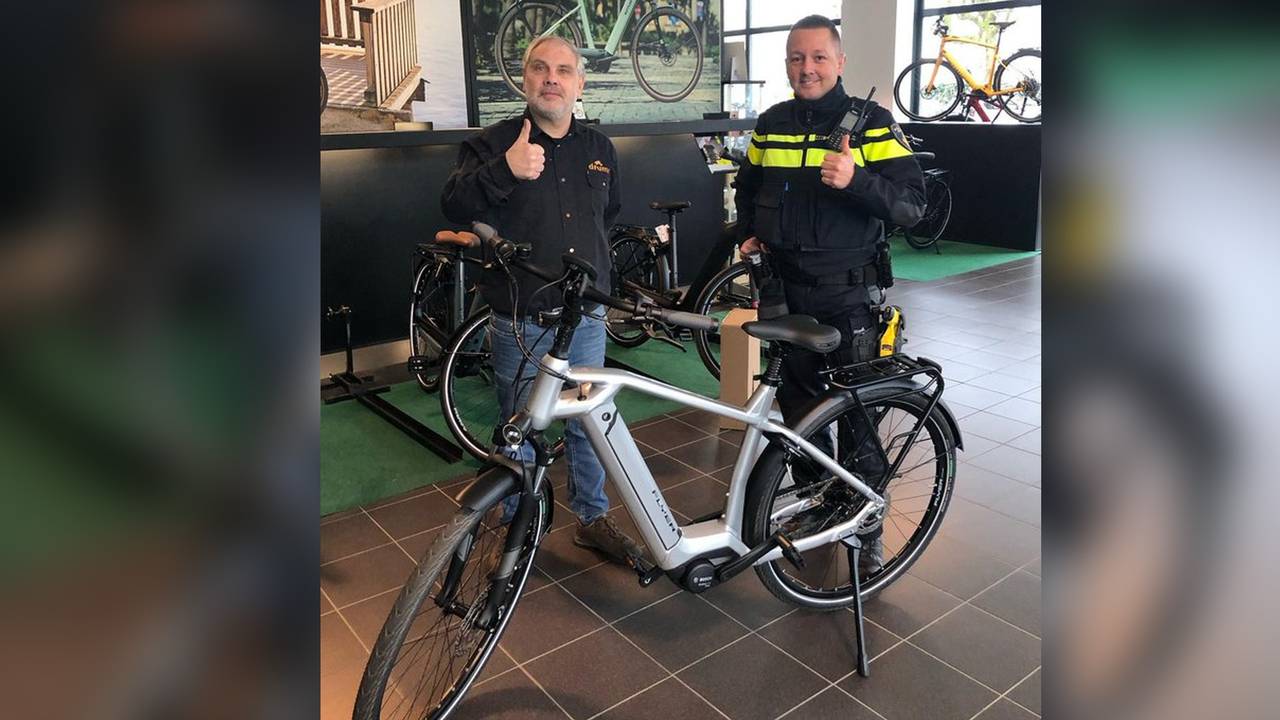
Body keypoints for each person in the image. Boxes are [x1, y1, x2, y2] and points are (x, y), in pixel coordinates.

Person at [733, 15, 926, 574]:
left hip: (849, 300)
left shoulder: (870, 123)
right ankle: (819, 508)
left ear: (839, 62)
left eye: (818, 57)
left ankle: (867, 527)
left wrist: (857, 180)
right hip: (785, 297)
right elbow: (748, 184)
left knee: (857, 417)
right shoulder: (771, 124)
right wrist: (748, 227)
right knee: (799, 414)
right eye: (796, 58)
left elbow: (913, 206)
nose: (806, 68)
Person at [439, 36, 643, 566]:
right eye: (539, 68)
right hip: (521, 316)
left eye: (563, 70)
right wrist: (506, 169)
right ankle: (514, 525)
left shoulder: (600, 149)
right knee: (520, 424)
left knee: (590, 422)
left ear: (580, 82)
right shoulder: (493, 144)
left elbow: (610, 213)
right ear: (523, 79)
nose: (551, 78)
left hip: (589, 316)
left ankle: (592, 518)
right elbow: (454, 204)